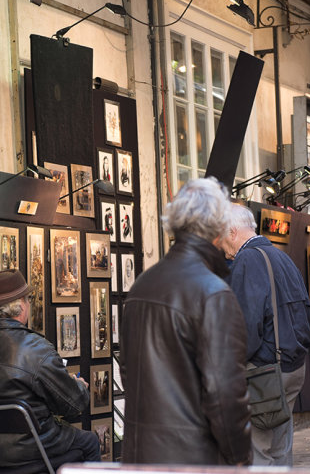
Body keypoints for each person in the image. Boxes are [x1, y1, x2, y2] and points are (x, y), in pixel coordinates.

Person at [119, 177, 252, 465]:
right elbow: (224, 394)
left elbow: (129, 376)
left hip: (142, 456)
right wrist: (240, 459)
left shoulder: (141, 286)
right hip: (194, 458)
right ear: (218, 230)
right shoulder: (213, 293)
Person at [0, 269, 100, 467]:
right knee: (90, 442)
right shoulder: (36, 348)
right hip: (35, 452)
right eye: (28, 300)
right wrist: (77, 385)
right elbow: (74, 405)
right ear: (20, 305)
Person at [220, 202, 310, 466]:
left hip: (266, 373)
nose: (223, 248)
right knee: (281, 447)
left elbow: (244, 327)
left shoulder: (247, 260)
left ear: (232, 231)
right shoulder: (280, 256)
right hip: (291, 367)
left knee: (258, 452)